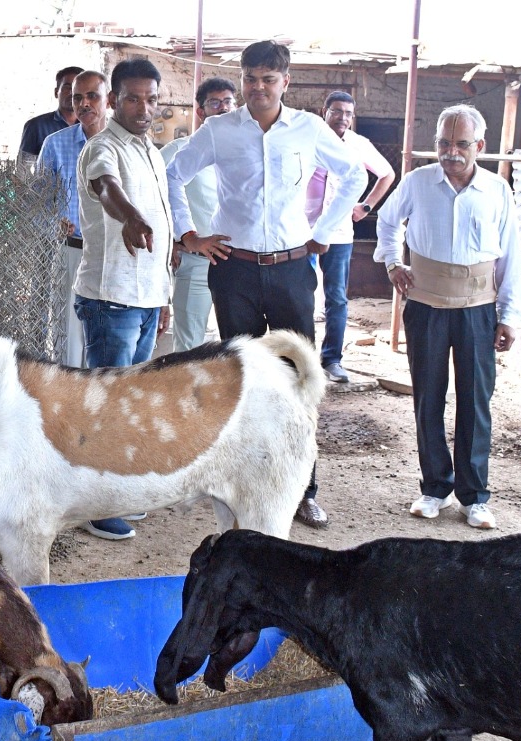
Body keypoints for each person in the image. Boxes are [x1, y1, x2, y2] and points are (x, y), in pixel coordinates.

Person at [166, 40, 366, 529]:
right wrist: (189, 235)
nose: (258, 88)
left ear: (285, 82)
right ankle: (246, 488)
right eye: (250, 79)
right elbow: (172, 173)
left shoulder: (308, 128)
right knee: (244, 377)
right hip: (234, 269)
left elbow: (353, 174)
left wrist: (323, 233)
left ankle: (304, 490)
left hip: (293, 268)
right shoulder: (219, 130)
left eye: (268, 79)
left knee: (299, 378)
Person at [376, 104, 521, 530]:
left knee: (476, 401)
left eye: (461, 144)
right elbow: (388, 224)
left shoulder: (497, 190)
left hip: (478, 309)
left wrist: (509, 315)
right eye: (444, 143)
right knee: (428, 397)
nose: (451, 152)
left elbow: (511, 254)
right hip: (425, 307)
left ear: (480, 146)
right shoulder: (418, 183)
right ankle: (434, 488)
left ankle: (475, 496)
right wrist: (391, 264)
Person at [73, 58, 174, 541]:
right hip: (110, 299)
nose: (143, 107)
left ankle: (117, 493)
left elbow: (167, 226)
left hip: (144, 298)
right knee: (106, 405)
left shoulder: (151, 151)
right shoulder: (103, 147)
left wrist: (163, 298)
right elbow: (106, 188)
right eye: (133, 97)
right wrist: (129, 217)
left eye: (151, 98)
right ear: (113, 100)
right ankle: (95, 504)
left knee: (129, 401)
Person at [308, 91, 396, 383]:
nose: (342, 117)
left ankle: (332, 359)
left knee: (336, 297)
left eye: (348, 113)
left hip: (340, 234)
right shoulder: (308, 138)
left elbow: (387, 174)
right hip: (302, 230)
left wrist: (367, 206)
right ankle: (303, 360)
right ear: (325, 111)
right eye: (337, 111)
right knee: (300, 295)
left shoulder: (359, 145)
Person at [36, 70, 109, 368]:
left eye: (93, 96)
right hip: (71, 249)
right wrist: (52, 222)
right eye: (78, 97)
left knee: (111, 330)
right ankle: (71, 402)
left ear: (109, 99)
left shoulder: (124, 143)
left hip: (114, 252)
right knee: (69, 330)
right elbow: (37, 203)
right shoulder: (55, 144)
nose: (84, 103)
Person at [159, 76, 235, 352]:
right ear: (200, 111)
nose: (224, 108)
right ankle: (186, 395)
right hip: (197, 261)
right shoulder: (178, 151)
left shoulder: (244, 151)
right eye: (215, 103)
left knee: (237, 344)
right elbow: (155, 200)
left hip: (239, 263)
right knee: (190, 345)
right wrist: (175, 242)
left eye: (228, 102)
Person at [19, 66, 85, 164]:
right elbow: (23, 170)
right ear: (56, 92)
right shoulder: (36, 126)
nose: (73, 93)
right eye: (67, 87)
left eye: (78, 88)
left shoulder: (91, 127)